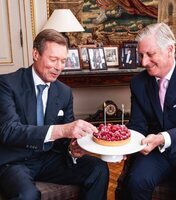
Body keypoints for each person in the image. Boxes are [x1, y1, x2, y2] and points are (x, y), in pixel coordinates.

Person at [0, 29, 109, 200]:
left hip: (49, 159)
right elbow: (8, 131)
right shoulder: (7, 84)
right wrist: (62, 131)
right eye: (53, 59)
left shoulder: (64, 92)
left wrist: (73, 148)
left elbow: (66, 140)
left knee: (98, 169)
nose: (59, 67)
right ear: (36, 54)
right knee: (27, 195)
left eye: (63, 61)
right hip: (15, 161)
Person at [122, 22, 176, 200]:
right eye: (141, 55)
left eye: (150, 54)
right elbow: (138, 126)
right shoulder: (138, 83)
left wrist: (162, 138)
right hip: (158, 153)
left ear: (170, 50)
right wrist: (123, 144)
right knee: (136, 181)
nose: (143, 62)